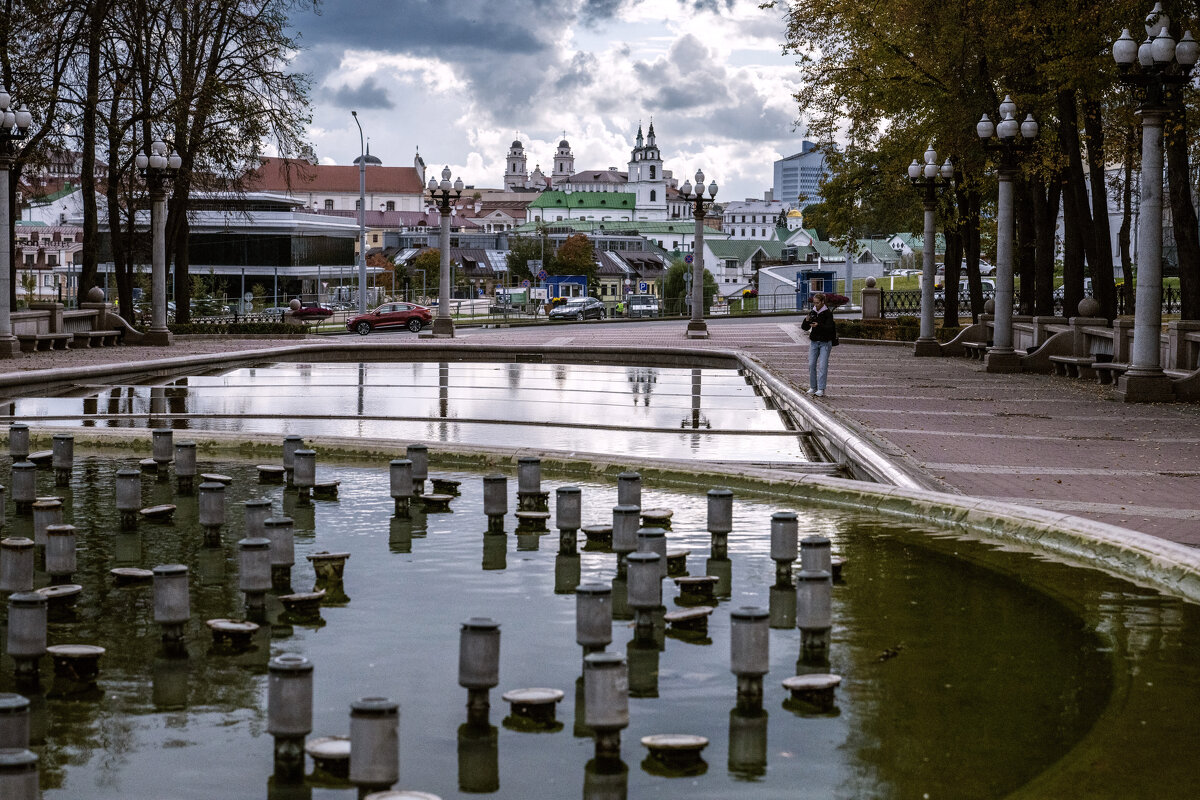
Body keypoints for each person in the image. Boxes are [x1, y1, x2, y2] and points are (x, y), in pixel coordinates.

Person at [800, 291, 836, 396]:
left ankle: (821, 388)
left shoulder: (828, 313)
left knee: (822, 366)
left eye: (817, 303)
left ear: (823, 302)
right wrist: (806, 321)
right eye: (814, 303)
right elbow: (804, 328)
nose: (815, 305)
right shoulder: (813, 312)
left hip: (825, 342)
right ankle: (813, 387)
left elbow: (829, 328)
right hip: (814, 342)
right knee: (811, 365)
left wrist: (818, 325)